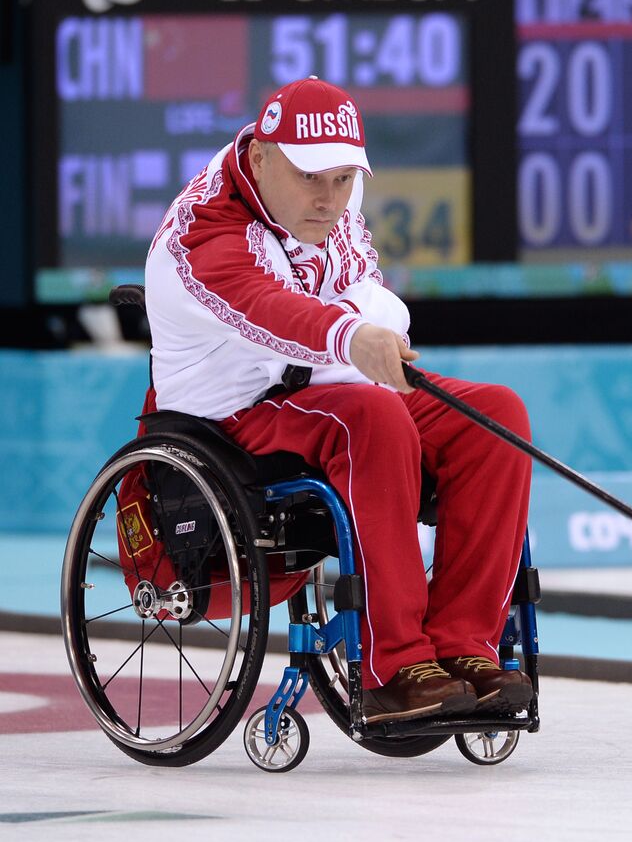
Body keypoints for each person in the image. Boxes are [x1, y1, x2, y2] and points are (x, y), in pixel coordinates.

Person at [143, 77, 534, 722]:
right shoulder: (204, 232)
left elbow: (364, 284)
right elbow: (270, 312)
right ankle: (394, 665)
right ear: (262, 156)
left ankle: (465, 644)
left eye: (345, 180)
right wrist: (351, 332)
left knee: (493, 417)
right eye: (312, 179)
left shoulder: (322, 196)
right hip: (235, 413)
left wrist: (360, 329)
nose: (329, 200)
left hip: (325, 382)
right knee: (373, 419)